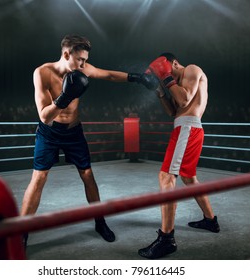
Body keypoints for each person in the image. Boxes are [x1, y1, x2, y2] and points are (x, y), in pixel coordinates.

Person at [21, 34, 155, 248]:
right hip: (50, 133)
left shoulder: (80, 69)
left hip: (74, 132)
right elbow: (45, 116)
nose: (84, 64)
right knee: (38, 178)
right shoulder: (42, 73)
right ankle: (22, 231)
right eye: (80, 59)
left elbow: (109, 75)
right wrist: (64, 97)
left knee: (88, 174)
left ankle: (100, 222)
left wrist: (136, 77)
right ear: (66, 54)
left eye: (85, 59)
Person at [138, 53, 220, 259]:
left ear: (173, 63)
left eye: (166, 69)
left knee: (166, 177)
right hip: (184, 127)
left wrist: (166, 77)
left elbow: (184, 100)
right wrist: (160, 91)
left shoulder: (191, 68)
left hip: (188, 128)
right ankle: (210, 220)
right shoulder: (176, 82)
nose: (166, 75)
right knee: (189, 178)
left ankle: (166, 240)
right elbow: (173, 111)